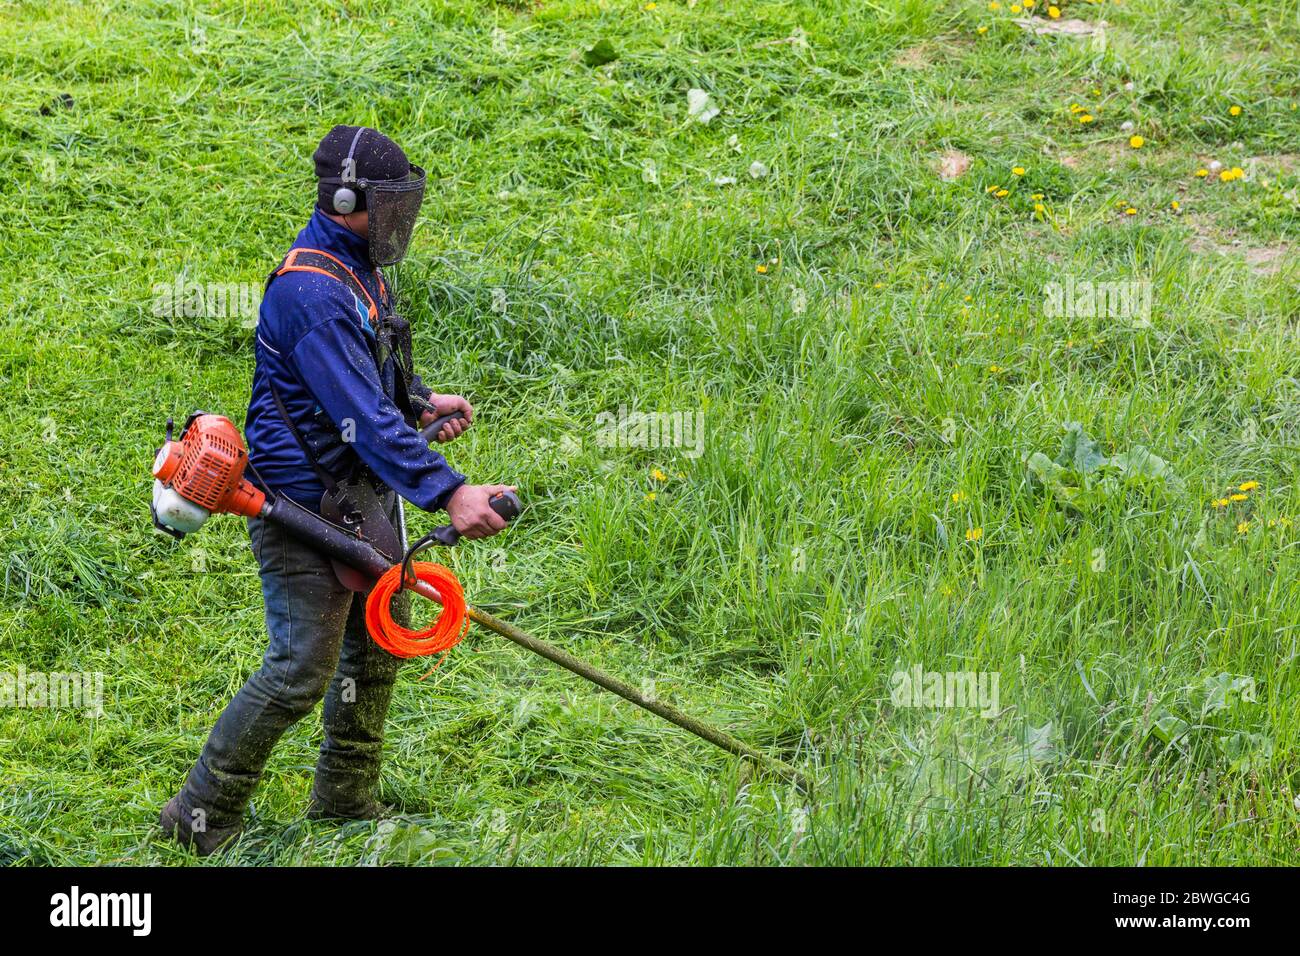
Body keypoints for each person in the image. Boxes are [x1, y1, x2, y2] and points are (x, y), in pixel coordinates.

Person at [160, 125, 513, 854]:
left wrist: (416, 402)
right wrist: (450, 493)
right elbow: (357, 418)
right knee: (298, 672)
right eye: (386, 208)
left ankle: (345, 801)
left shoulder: (358, 269)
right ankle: (197, 815)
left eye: (403, 207)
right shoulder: (312, 292)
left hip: (360, 495)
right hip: (301, 504)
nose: (399, 223)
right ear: (344, 198)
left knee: (375, 650)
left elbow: (366, 382)